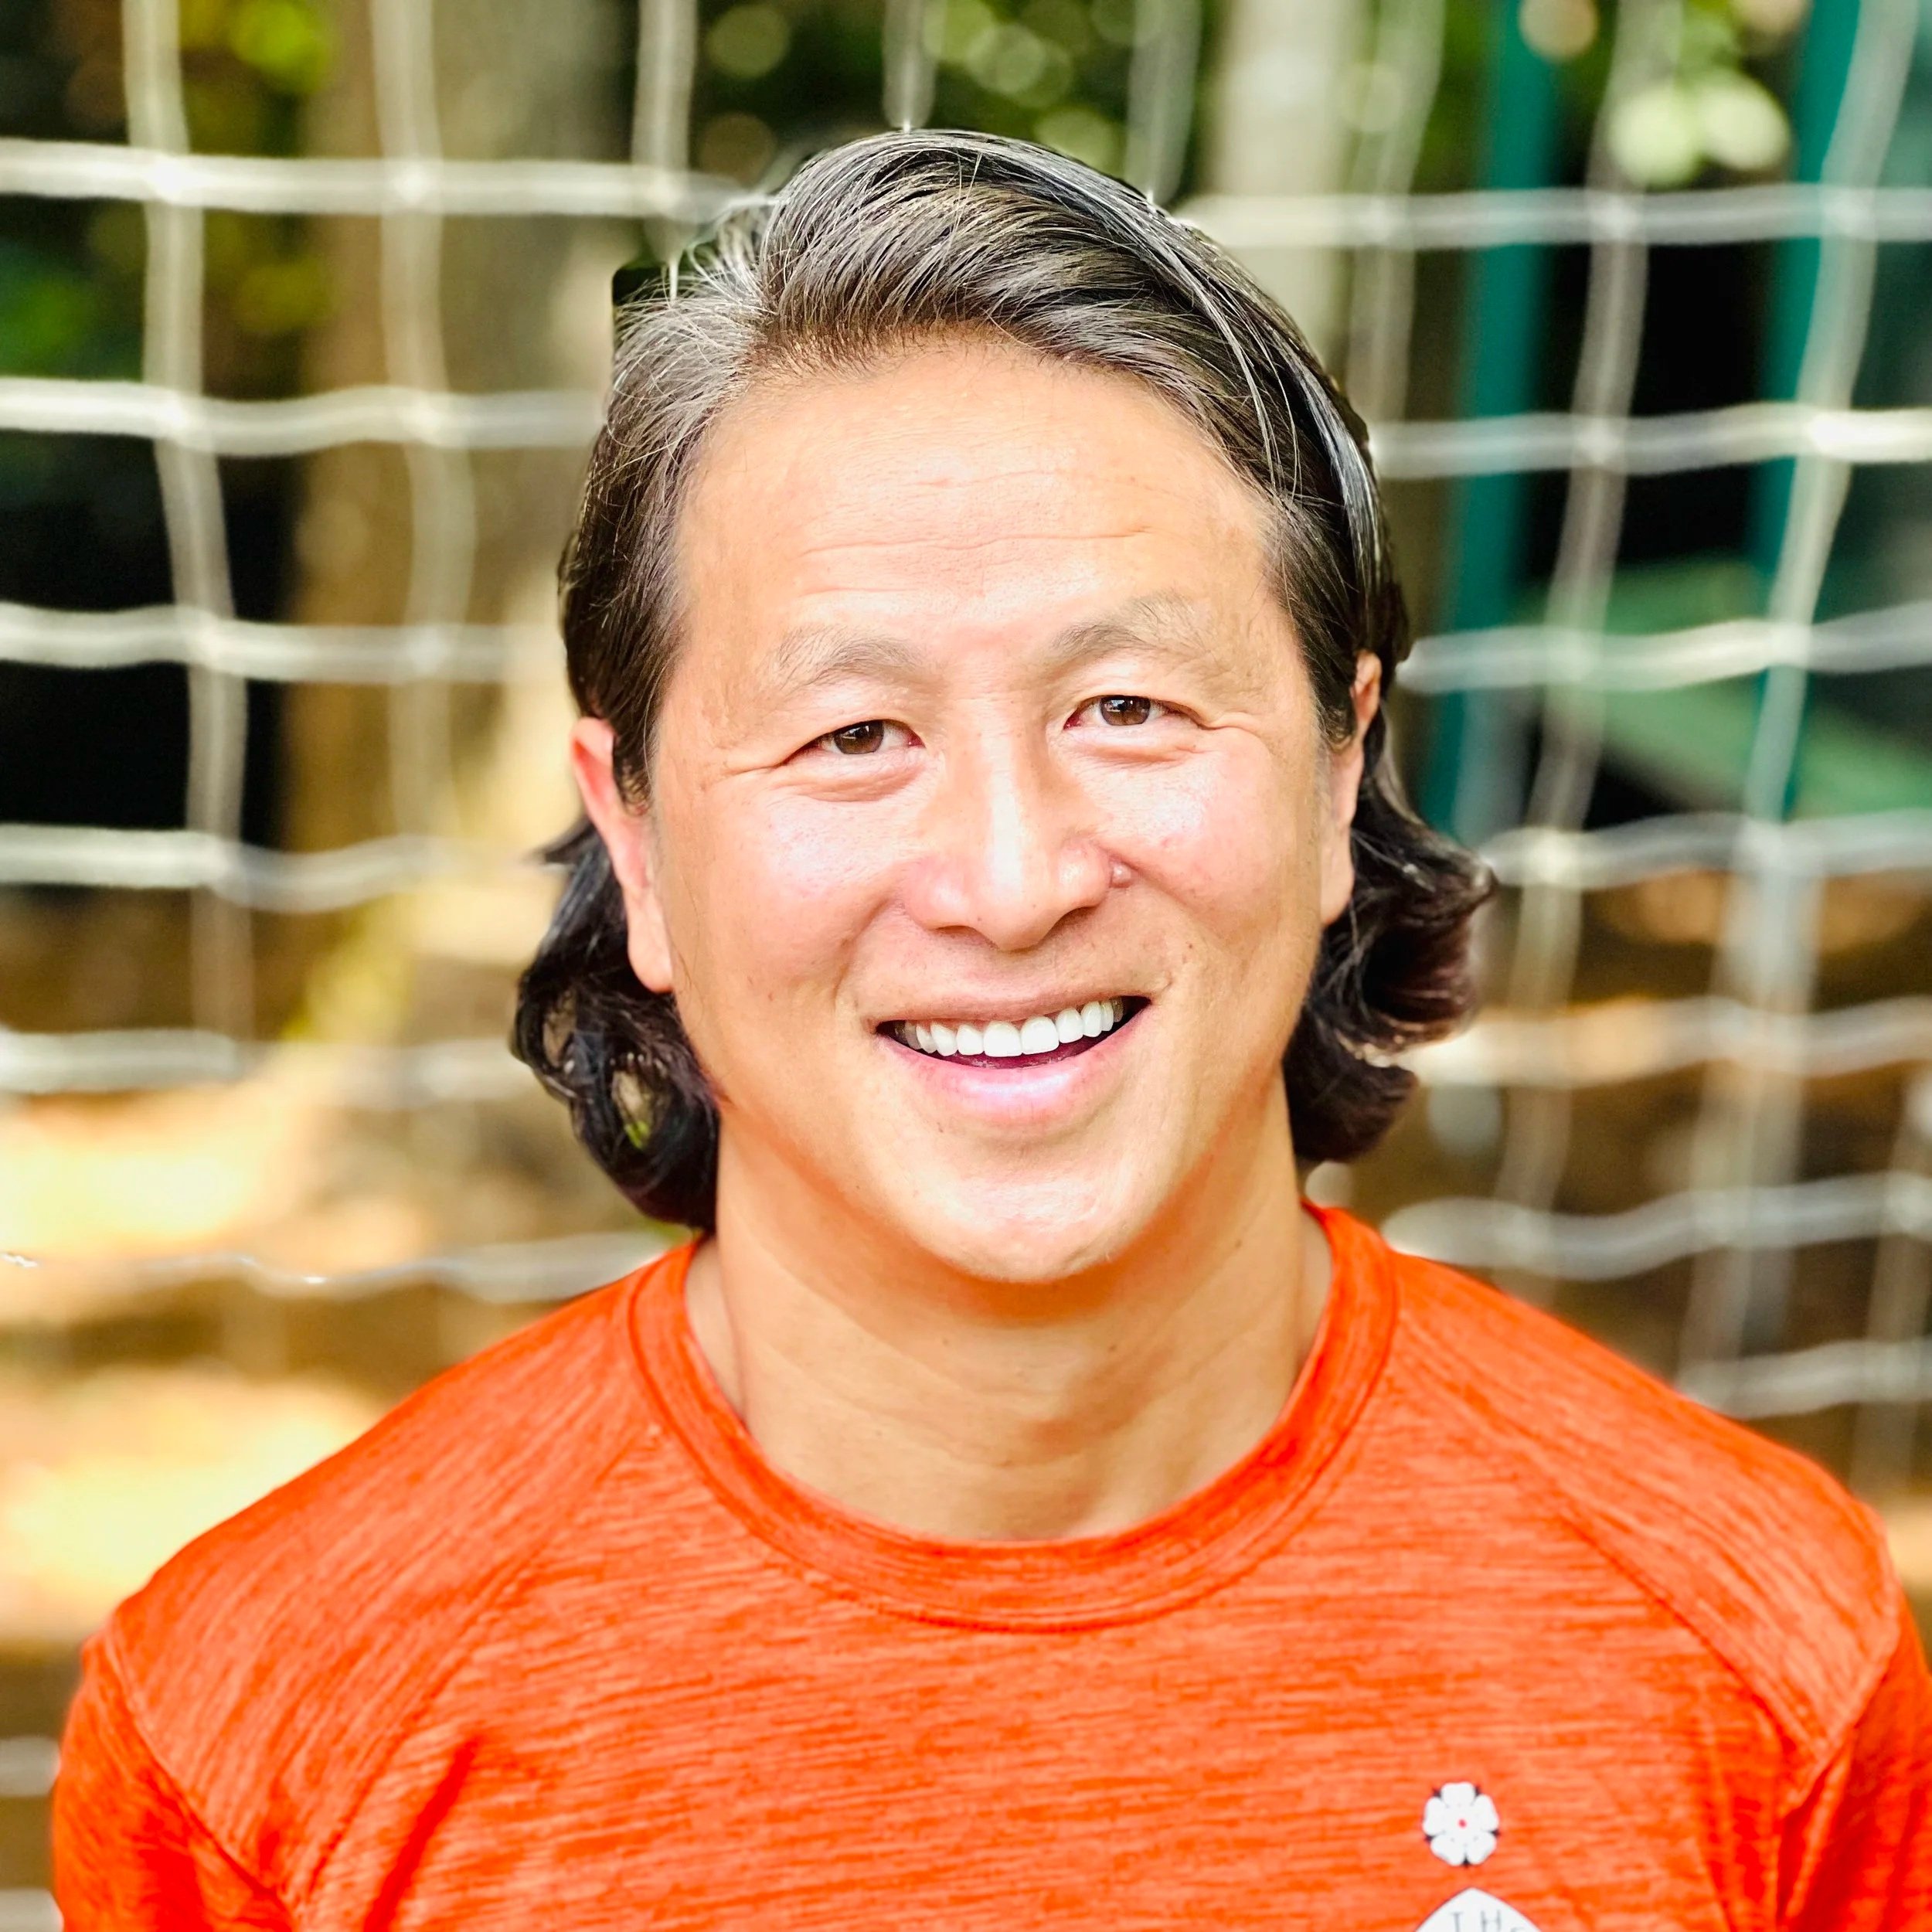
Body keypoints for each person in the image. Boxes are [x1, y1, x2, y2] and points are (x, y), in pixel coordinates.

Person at [53, 131, 1930, 1930]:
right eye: (853, 733)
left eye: (1124, 705)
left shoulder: (1765, 1657)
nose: (1009, 875)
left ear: (1340, 763)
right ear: (632, 833)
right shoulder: (261, 1733)